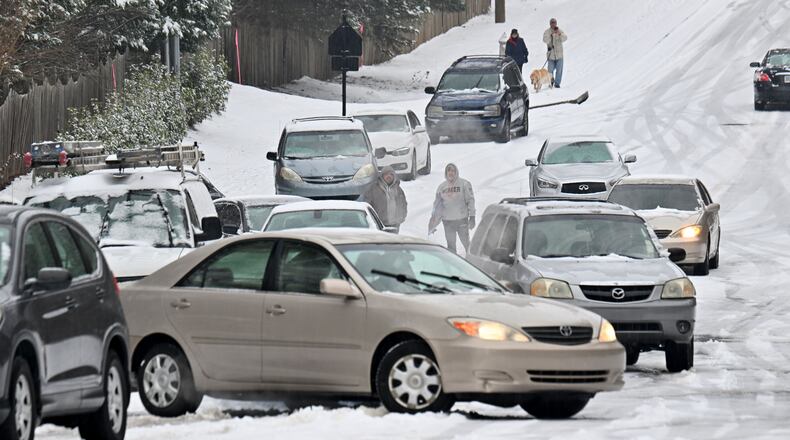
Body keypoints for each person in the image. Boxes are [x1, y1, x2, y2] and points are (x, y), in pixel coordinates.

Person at [428, 163, 476, 254]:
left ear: (456, 172)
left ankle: (472, 262)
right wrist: (433, 222)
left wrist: (472, 216)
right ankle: (453, 265)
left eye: (453, 170)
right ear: (446, 173)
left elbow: (470, 200)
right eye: (449, 170)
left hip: (461, 220)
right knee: (451, 246)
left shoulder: (464, 184)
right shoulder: (441, 187)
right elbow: (437, 206)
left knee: (466, 244)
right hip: (448, 221)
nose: (451, 173)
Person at [360, 166, 407, 232]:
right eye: (386, 174)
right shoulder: (373, 189)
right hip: (379, 225)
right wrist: (372, 220)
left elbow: (403, 204)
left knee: (394, 242)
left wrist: (402, 217)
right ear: (382, 176)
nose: (389, 176)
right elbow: (366, 205)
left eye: (391, 174)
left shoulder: (398, 190)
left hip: (395, 225)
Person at [543, 18, 568, 88]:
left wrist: (559, 34)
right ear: (550, 24)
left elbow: (565, 38)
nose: (553, 24)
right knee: (550, 70)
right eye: (552, 23)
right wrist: (551, 35)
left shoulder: (559, 30)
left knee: (559, 70)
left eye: (554, 23)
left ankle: (557, 84)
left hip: (559, 55)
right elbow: (545, 40)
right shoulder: (547, 32)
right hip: (551, 55)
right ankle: (551, 82)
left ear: (556, 23)